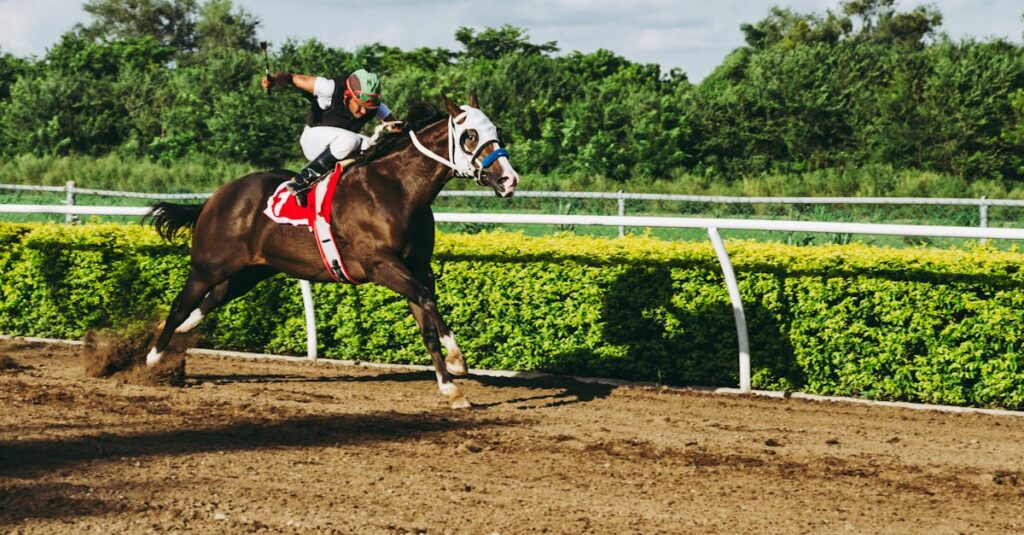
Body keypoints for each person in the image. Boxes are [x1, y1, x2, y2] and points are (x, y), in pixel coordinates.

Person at [262, 68, 398, 206]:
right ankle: (300, 181)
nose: (363, 112)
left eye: (368, 108)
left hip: (339, 146)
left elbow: (397, 128)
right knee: (351, 140)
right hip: (313, 141)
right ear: (347, 95)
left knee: (373, 146)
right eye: (359, 105)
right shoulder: (328, 88)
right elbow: (290, 77)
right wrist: (274, 80)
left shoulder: (376, 107)